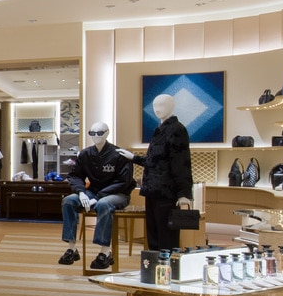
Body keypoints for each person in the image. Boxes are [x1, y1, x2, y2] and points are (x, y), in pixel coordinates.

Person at [119, 93, 194, 251]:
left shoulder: (177, 130)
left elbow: (181, 163)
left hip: (167, 192)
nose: (157, 109)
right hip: (152, 190)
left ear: (171, 106)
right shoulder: (160, 130)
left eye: (162, 105)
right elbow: (154, 161)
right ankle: (155, 265)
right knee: (153, 236)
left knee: (167, 237)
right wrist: (133, 158)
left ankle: (167, 265)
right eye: (155, 106)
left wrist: (184, 193)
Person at [57, 122, 134, 269]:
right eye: (92, 133)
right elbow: (74, 175)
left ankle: (105, 252)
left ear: (107, 133)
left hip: (118, 193)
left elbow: (123, 182)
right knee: (68, 201)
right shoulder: (85, 154)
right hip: (92, 192)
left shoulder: (118, 154)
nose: (96, 136)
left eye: (100, 133)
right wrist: (81, 192)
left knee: (103, 204)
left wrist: (97, 197)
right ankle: (72, 248)